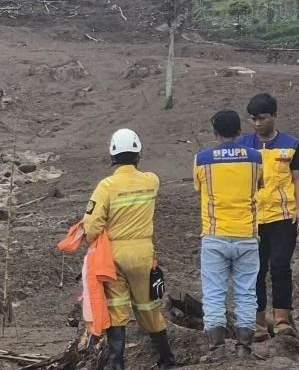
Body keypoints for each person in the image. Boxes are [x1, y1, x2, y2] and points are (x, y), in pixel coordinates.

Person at [83, 128, 177, 370]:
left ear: (113, 156)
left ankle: (117, 365)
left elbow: (91, 225)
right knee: (149, 306)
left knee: (116, 310)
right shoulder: (151, 181)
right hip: (144, 252)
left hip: (114, 256)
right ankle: (167, 360)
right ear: (138, 154)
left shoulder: (106, 186)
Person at [194, 110, 264, 357]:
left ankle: (217, 348)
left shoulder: (201, 159)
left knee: (214, 293)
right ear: (239, 131)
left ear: (215, 133)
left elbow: (198, 188)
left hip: (215, 235)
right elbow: (260, 184)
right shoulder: (255, 158)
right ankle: (244, 347)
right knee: (246, 292)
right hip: (246, 236)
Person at [241, 92, 299, 339]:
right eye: (253, 119)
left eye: (262, 118)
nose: (257, 123)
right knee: (255, 270)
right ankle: (258, 323)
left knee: (280, 267)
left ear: (274, 116)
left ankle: (281, 320)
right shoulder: (244, 144)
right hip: (253, 218)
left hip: (283, 216)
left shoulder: (292, 144)